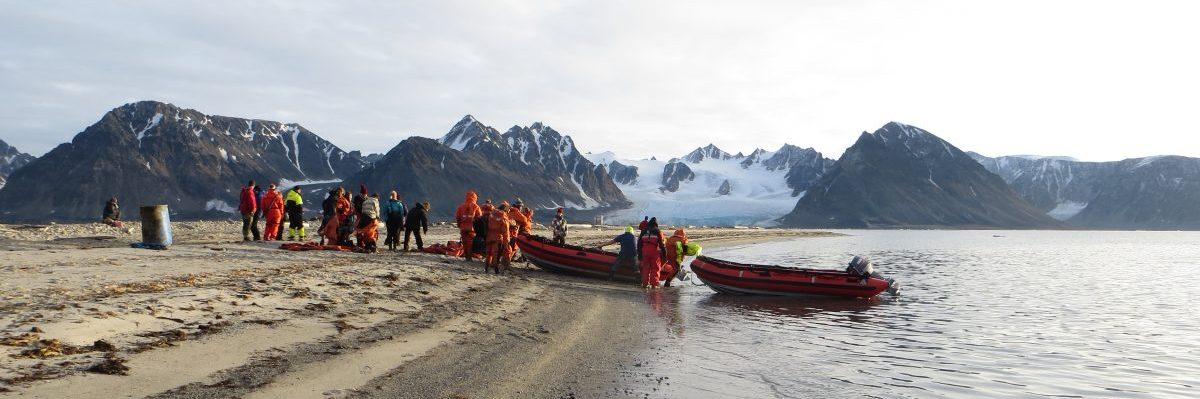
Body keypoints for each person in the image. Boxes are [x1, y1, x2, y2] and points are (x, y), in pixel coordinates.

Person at [455, 191, 483, 261]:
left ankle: (467, 257)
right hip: (472, 229)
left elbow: (458, 217)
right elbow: (479, 218)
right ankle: (469, 257)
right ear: (475, 198)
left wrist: (459, 225)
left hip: (463, 228)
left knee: (464, 242)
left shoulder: (461, 207)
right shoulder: (476, 207)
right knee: (470, 243)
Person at [485, 204, 513, 274]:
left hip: (489, 236)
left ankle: (486, 267)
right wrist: (506, 243)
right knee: (495, 253)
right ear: (506, 210)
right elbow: (505, 232)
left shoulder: (492, 214)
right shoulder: (503, 216)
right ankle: (493, 268)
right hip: (497, 237)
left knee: (489, 253)